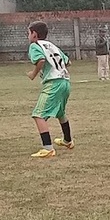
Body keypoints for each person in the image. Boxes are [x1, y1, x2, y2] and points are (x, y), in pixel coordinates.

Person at [27, 21, 74, 158]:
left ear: (34, 34)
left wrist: (33, 74)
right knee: (60, 112)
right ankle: (67, 140)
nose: (28, 36)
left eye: (28, 33)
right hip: (65, 81)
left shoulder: (35, 46)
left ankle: (48, 148)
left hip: (54, 84)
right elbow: (68, 62)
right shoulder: (51, 45)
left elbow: (41, 60)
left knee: (38, 115)